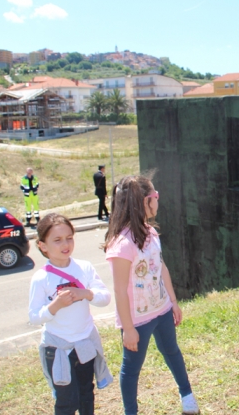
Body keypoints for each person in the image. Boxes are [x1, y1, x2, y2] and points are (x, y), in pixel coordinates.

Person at [104, 174, 199, 415]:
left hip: (162, 310)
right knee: (132, 369)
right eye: (155, 196)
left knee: (172, 352)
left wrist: (173, 302)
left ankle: (187, 396)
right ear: (145, 202)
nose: (158, 200)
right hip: (138, 321)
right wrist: (128, 328)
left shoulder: (151, 233)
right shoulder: (121, 245)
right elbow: (119, 290)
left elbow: (161, 267)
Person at [28, 214, 113, 415]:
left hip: (84, 344)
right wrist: (55, 306)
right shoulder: (41, 278)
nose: (65, 244)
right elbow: (34, 316)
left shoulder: (84, 267)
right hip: (57, 348)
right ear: (43, 246)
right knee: (66, 401)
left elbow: (105, 297)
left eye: (69, 238)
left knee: (86, 395)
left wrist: (86, 293)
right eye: (57, 240)